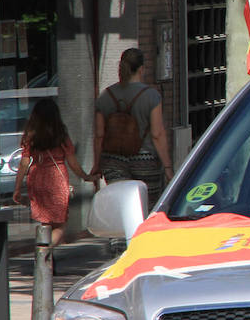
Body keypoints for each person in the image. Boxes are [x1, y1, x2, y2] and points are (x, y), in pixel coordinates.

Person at [93, 47, 173, 206]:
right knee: (145, 207)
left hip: (113, 160)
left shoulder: (105, 96)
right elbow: (157, 134)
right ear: (141, 69)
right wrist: (167, 166)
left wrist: (97, 164)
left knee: (122, 208)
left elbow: (99, 135)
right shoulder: (151, 96)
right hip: (144, 160)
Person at [12, 98, 91, 247]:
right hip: (56, 178)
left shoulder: (31, 136)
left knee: (45, 222)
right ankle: (44, 253)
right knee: (60, 225)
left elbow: (24, 163)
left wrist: (17, 188)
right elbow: (72, 162)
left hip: (36, 177)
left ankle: (46, 262)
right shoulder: (61, 135)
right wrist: (85, 176)